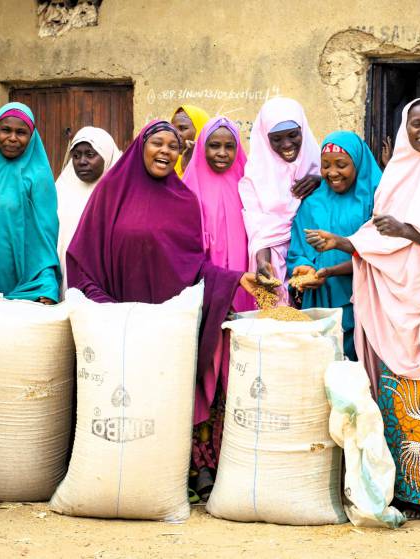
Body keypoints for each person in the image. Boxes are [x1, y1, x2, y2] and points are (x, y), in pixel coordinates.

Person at [305, 98, 420, 518]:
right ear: (405, 130)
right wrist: (350, 243)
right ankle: (407, 491)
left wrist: (412, 232)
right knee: (398, 399)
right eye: (416, 124)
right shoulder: (394, 175)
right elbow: (378, 230)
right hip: (396, 300)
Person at [66, 120, 259, 492]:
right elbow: (82, 257)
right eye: (158, 143)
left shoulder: (184, 202)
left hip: (162, 330)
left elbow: (193, 267)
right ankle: (111, 483)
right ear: (141, 145)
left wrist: (234, 279)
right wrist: (109, 310)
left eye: (175, 146)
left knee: (159, 406)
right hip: (115, 326)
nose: (167, 152)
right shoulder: (110, 193)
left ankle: (162, 482)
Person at [182, 116, 254, 500]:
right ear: (202, 148)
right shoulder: (186, 190)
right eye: (214, 145)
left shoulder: (248, 188)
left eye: (229, 146)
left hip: (243, 300)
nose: (222, 153)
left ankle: (232, 465)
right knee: (202, 378)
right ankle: (201, 467)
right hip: (206, 301)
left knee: (237, 381)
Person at [286, 131, 380, 360]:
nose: (332, 173)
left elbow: (382, 250)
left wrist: (331, 270)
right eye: (325, 165)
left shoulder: (375, 199)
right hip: (321, 300)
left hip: (363, 299)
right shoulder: (312, 203)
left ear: (358, 163)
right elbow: (298, 250)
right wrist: (305, 268)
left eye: (341, 165)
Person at [0, 102, 60, 304]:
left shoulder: (38, 177)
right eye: (5, 130)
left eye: (21, 132)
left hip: (17, 277)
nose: (12, 138)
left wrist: (46, 281)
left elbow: (44, 235)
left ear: (31, 137)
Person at [239, 97, 321, 293]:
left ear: (303, 130)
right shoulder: (254, 178)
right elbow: (259, 229)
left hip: (316, 263)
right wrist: (262, 262)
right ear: (265, 139)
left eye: (293, 135)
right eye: (276, 139)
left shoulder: (321, 166)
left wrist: (320, 181)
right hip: (274, 263)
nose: (286, 144)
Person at [55, 126, 121, 297]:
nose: (82, 161)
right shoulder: (61, 191)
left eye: (90, 155)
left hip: (107, 286)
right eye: (76, 156)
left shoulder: (119, 194)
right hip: (66, 282)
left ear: (107, 156)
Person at [172, 104, 210, 177]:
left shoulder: (216, 166)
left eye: (182, 128)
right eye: (173, 129)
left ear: (201, 130)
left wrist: (187, 169)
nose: (175, 135)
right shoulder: (170, 165)